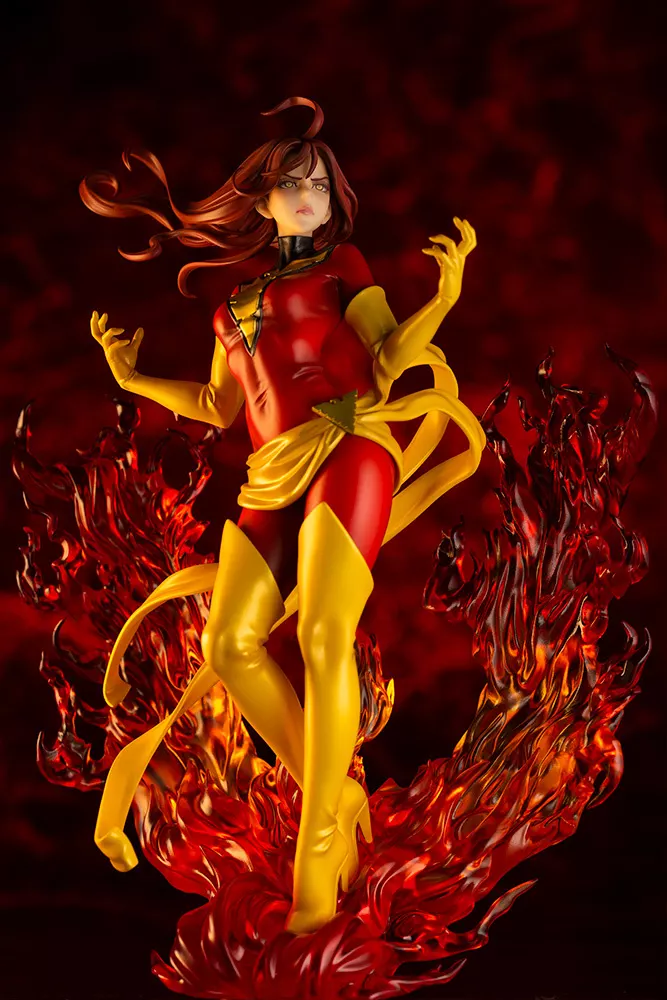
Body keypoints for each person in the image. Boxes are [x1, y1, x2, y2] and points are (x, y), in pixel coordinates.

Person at [83, 96, 485, 935]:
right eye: (293, 185)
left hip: (347, 439)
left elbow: (388, 354)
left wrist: (443, 300)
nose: (309, 198)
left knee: (322, 634)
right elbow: (219, 406)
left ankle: (315, 866)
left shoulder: (344, 265)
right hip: (268, 474)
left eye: (320, 186)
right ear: (262, 201)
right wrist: (132, 379)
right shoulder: (229, 306)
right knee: (227, 645)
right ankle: (333, 792)